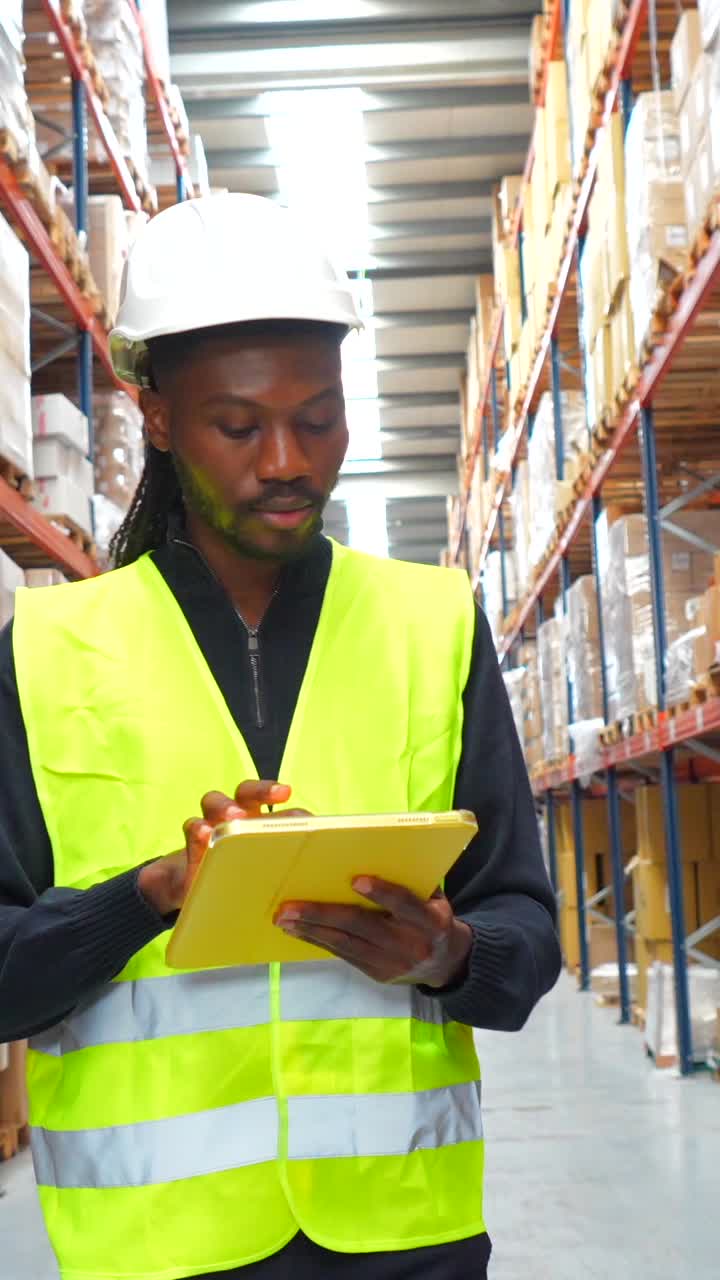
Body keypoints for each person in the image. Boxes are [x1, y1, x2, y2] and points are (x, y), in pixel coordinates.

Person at [0, 193, 561, 1280]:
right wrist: (148, 894)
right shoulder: (48, 649)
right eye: (240, 424)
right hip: (160, 1248)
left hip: (406, 1235)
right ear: (156, 415)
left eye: (319, 417)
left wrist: (448, 955)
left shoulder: (431, 623)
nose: (289, 460)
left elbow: (524, 938)